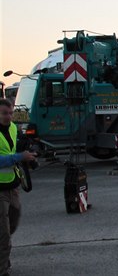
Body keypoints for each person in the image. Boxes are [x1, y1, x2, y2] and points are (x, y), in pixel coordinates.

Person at [0, 98, 37, 276]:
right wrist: (19, 157)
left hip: (12, 186)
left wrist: (28, 155)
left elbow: (13, 148)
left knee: (13, 222)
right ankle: (2, 268)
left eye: (10, 113)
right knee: (4, 234)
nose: (8, 117)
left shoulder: (13, 128)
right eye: (4, 113)